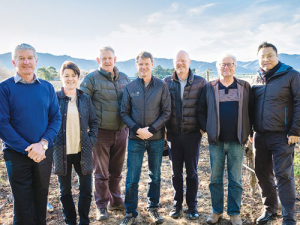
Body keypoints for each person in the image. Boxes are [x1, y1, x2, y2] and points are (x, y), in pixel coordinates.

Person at [0, 43, 61, 224]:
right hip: (16, 154)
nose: (26, 62)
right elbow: (2, 124)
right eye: (21, 58)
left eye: (29, 58)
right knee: (22, 202)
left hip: (43, 152)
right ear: (14, 61)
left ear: (36, 60)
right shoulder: (4, 88)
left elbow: (56, 119)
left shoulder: (47, 88)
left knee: (40, 199)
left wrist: (42, 144)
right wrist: (27, 148)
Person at [198, 54, 253, 225]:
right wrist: (208, 129)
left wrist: (249, 133)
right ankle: (216, 211)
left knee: (235, 180)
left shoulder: (244, 87)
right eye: (223, 65)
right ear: (217, 67)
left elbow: (251, 111)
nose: (226, 68)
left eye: (230, 64)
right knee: (215, 179)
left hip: (237, 142)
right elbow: (201, 111)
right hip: (216, 142)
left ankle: (234, 213)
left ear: (235, 66)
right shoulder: (209, 87)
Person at [120, 51, 171, 225]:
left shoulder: (161, 85)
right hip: (135, 140)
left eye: (146, 64)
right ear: (137, 65)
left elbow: (166, 112)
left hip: (156, 139)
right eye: (140, 64)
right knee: (132, 177)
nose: (143, 67)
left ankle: (153, 208)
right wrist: (137, 130)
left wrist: (152, 129)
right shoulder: (130, 87)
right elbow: (124, 113)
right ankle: (130, 212)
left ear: (152, 64)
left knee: (155, 176)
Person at [251, 42, 299, 225]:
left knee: (283, 175)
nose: (266, 59)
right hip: (260, 135)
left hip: (283, 135)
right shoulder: (256, 79)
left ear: (277, 56)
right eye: (262, 56)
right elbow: (251, 106)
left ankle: (289, 217)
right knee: (262, 173)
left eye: (269, 55)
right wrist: (249, 131)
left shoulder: (291, 75)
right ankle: (270, 209)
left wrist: (296, 130)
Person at [80, 46, 130, 220]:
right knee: (101, 172)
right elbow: (82, 104)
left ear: (115, 59)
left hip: (122, 131)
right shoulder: (91, 79)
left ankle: (116, 201)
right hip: (101, 133)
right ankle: (101, 205)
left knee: (116, 170)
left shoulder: (124, 78)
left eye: (110, 58)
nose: (107, 61)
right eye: (104, 58)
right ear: (98, 60)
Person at [53, 61, 98, 225]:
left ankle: (84, 221)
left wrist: (91, 140)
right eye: (66, 76)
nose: (70, 79)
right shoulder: (54, 98)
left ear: (78, 77)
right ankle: (70, 221)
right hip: (60, 151)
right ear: (61, 77)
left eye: (73, 75)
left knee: (86, 190)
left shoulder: (85, 99)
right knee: (65, 191)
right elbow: (48, 122)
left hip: (82, 151)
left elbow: (93, 121)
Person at [164, 51, 206, 220]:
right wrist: (164, 131)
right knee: (175, 173)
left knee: (192, 173)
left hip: (192, 135)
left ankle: (192, 206)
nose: (180, 64)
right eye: (177, 61)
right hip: (173, 135)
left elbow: (206, 107)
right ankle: (177, 205)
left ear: (189, 62)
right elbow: (163, 108)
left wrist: (202, 129)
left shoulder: (200, 82)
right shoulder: (166, 82)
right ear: (174, 63)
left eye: (183, 61)